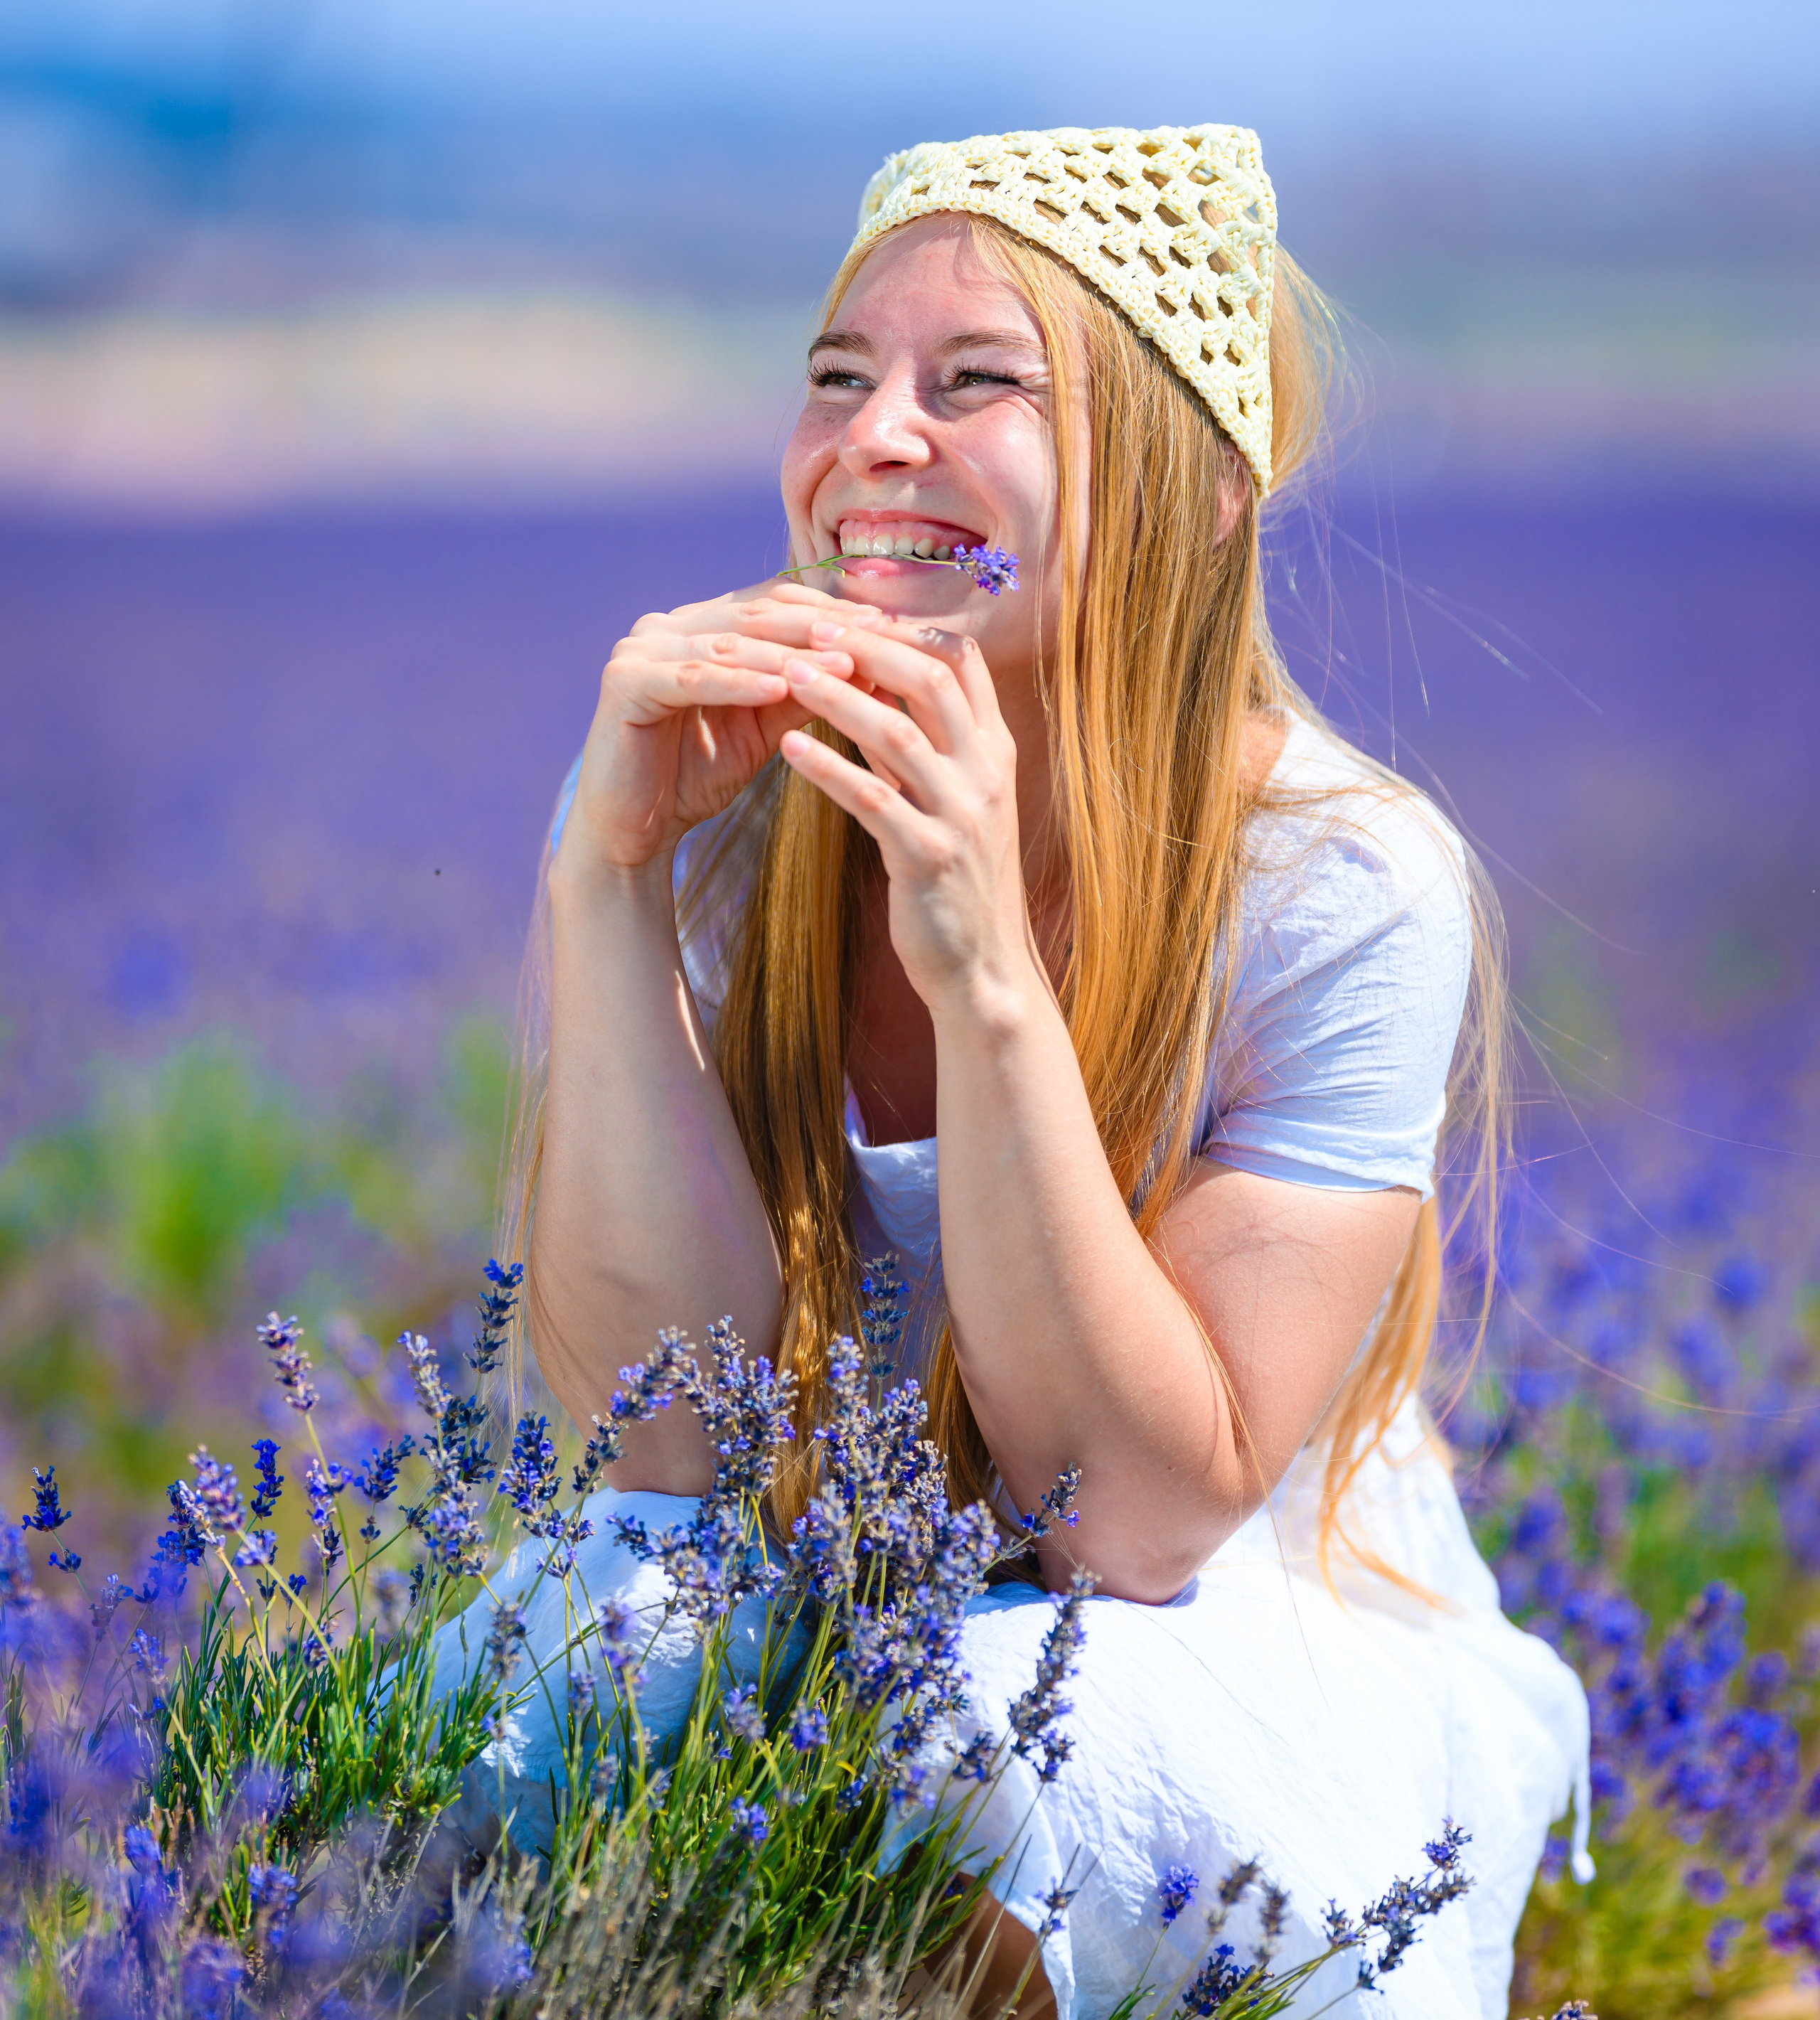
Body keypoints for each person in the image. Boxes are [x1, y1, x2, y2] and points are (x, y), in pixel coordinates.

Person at [437, 124, 1590, 2018]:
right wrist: (606, 877)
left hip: (1207, 1615)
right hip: (825, 1562)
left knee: (1011, 1731)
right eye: (837, 380)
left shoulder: (1339, 881)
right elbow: (670, 1440)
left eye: (977, 383)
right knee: (599, 1630)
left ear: (1199, 484)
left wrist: (981, 974)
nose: (877, 439)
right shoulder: (741, 827)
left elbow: (1128, 1515)